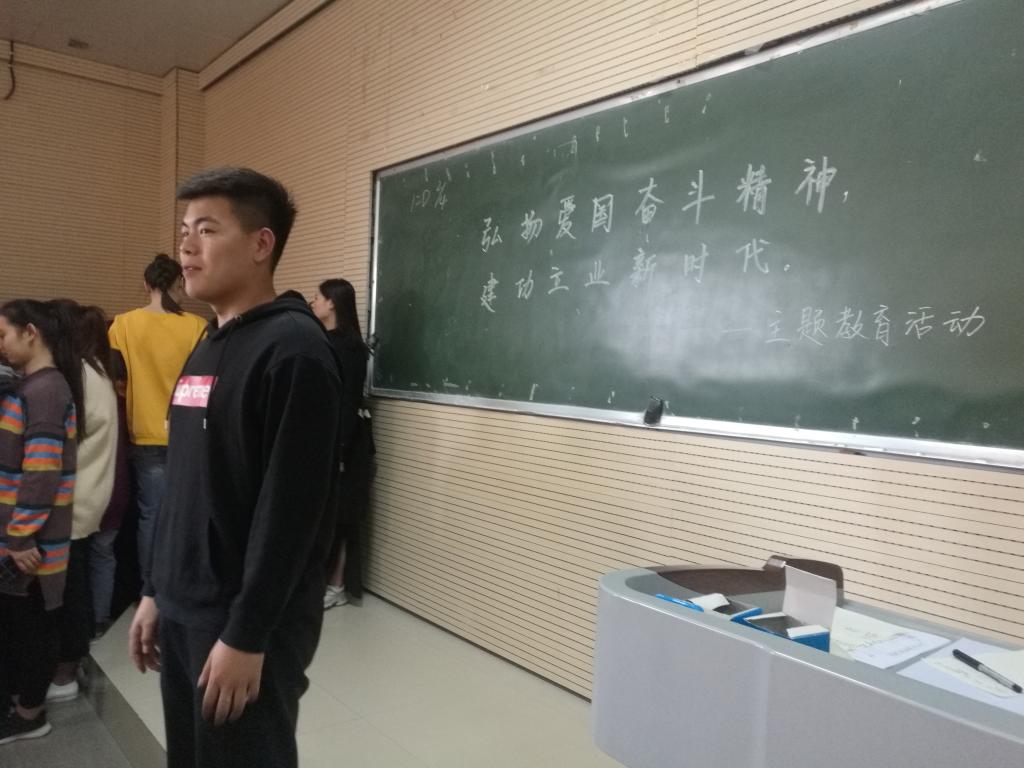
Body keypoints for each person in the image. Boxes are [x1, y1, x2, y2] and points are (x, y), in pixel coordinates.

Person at [128, 167, 342, 768]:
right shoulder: (209, 341)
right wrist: (155, 589)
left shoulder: (294, 351)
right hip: (185, 604)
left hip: (243, 622)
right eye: (184, 231)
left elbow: (292, 515)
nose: (187, 248)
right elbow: (185, 483)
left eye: (207, 230)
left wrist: (247, 634)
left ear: (260, 243)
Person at [0, 299, 81, 745]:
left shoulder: (46, 390)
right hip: (22, 539)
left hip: (31, 543)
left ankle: (29, 714)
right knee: (19, 624)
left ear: (30, 332)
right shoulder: (32, 385)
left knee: (32, 626)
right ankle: (20, 706)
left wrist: (20, 536)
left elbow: (42, 470)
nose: (0, 345)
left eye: (3, 335)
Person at [108, 255, 206, 592]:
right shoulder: (197, 327)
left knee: (151, 515)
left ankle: (150, 590)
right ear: (179, 284)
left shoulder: (123, 325)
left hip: (144, 433)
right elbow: (202, 385)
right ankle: (178, 584)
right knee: (185, 515)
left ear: (146, 284)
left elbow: (117, 379)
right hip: (187, 435)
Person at [49, 303, 118, 702]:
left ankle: (65, 672)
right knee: (78, 583)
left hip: (75, 499)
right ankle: (68, 665)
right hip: (89, 496)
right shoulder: (96, 370)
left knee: (69, 590)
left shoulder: (76, 374)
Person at [310, 279, 374, 609]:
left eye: (318, 297)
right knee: (325, 517)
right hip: (327, 440)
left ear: (333, 303)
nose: (313, 302)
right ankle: (320, 582)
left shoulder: (349, 347)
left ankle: (335, 586)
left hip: (344, 444)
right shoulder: (322, 340)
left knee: (341, 517)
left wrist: (339, 452)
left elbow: (347, 404)